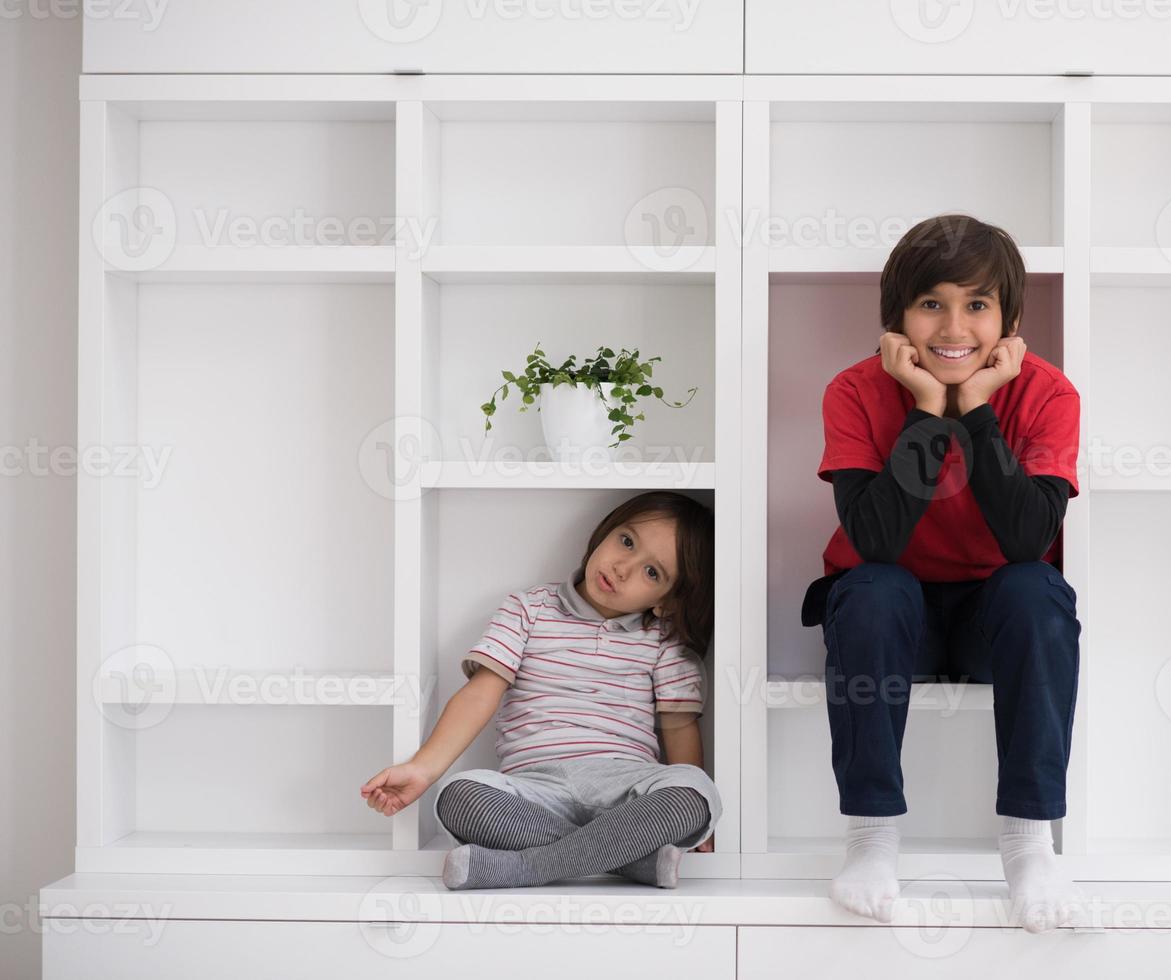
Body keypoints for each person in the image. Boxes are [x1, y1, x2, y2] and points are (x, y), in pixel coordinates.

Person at [803, 214, 1084, 931]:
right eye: (931, 303)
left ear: (1009, 321)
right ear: (896, 318)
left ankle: (1029, 845)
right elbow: (874, 540)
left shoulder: (1048, 394)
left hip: (996, 619)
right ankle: (869, 838)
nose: (952, 327)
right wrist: (930, 411)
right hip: (893, 616)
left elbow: (1027, 538)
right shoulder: (855, 391)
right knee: (871, 587)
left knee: (1036, 587)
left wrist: (978, 408)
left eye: (977, 305)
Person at [361, 491, 721, 890]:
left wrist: (698, 820)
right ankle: (630, 860)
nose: (622, 567)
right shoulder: (528, 608)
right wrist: (423, 768)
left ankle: (527, 867)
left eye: (652, 572)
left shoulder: (663, 642)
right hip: (533, 790)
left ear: (667, 602)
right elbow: (481, 694)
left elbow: (679, 728)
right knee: (457, 796)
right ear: (607, 530)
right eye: (627, 541)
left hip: (624, 790)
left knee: (696, 793)